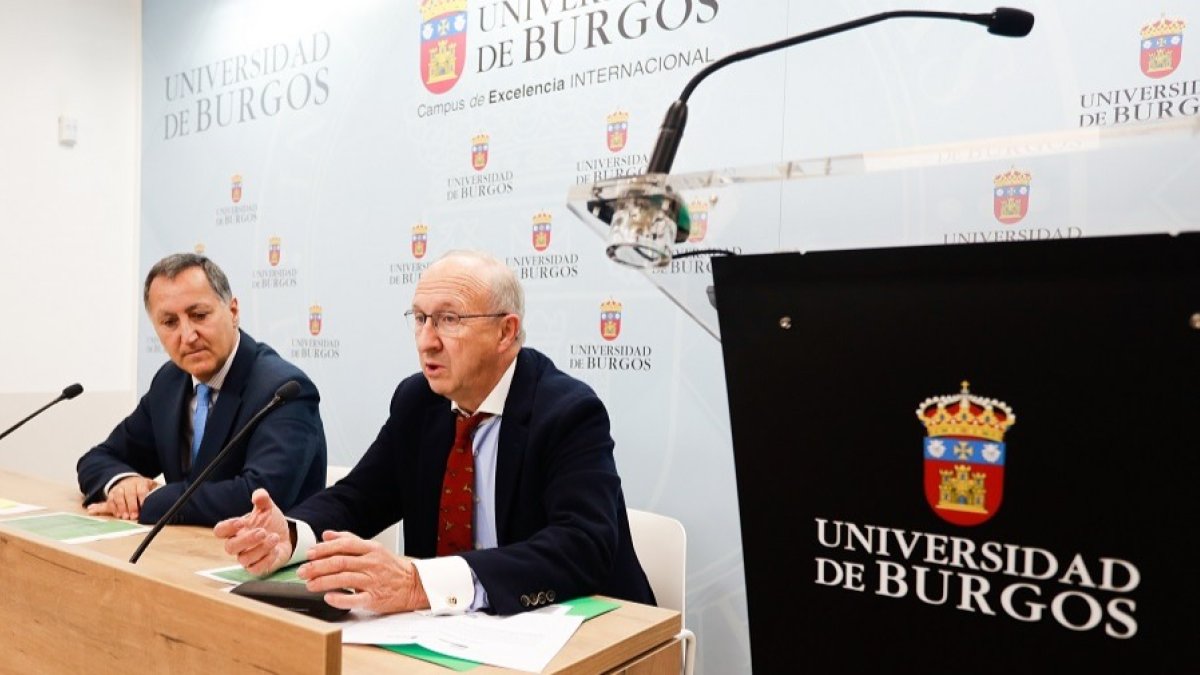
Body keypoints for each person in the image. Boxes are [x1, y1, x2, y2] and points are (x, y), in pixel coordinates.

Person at [214, 250, 654, 616]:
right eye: (420, 318)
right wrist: (289, 535)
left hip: (579, 632)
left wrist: (421, 583)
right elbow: (359, 497)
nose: (426, 340)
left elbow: (582, 546)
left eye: (448, 320)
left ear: (506, 332)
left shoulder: (567, 411)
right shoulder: (418, 401)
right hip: (453, 634)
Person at [77, 253, 327, 525]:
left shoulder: (283, 391)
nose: (188, 335)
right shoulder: (169, 382)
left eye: (199, 315)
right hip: (184, 552)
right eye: (170, 322)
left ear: (232, 312)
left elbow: (258, 497)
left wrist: (150, 500)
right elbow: (99, 458)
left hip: (269, 560)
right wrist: (122, 484)